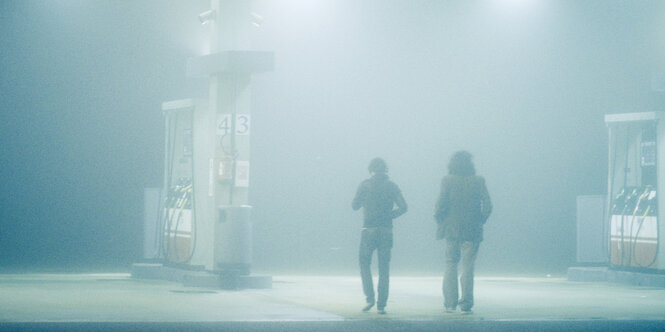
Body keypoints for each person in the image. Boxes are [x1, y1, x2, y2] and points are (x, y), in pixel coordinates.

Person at [434, 151, 492, 315]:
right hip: (472, 230)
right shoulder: (479, 181)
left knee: (450, 264)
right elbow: (488, 205)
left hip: (452, 230)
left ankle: (450, 303)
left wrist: (441, 221)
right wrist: (480, 220)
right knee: (468, 267)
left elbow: (440, 205)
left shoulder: (447, 180)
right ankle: (466, 304)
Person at [352, 158, 408, 314]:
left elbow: (354, 206)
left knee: (364, 263)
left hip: (368, 230)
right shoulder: (392, 186)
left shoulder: (365, 185)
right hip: (386, 230)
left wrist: (363, 199)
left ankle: (369, 298)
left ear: (371, 170)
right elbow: (404, 207)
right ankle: (382, 304)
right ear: (386, 170)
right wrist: (390, 215)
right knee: (384, 268)